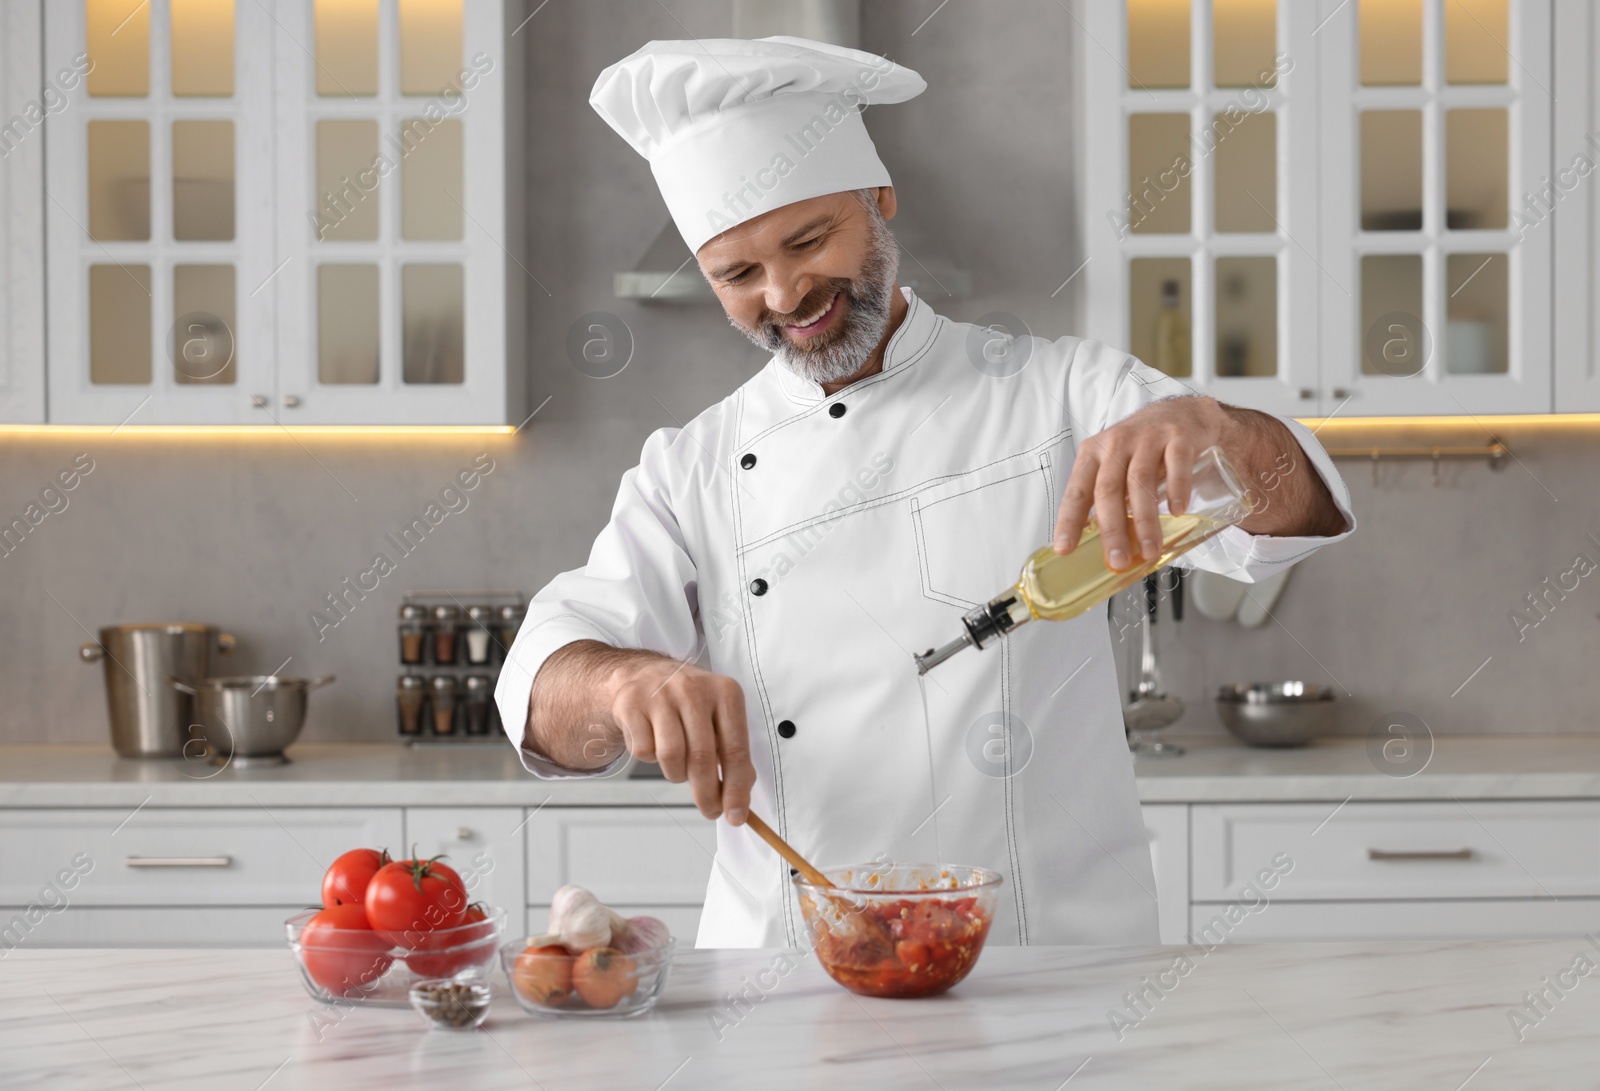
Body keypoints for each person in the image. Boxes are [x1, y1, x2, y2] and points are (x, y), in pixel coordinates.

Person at [495, 36, 1355, 948]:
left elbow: (1288, 517)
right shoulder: (689, 469)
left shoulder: (1063, 392)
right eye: (737, 275)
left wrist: (1213, 425)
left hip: (1050, 966)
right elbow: (543, 699)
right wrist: (628, 679)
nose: (786, 292)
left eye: (809, 239)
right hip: (785, 984)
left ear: (879, 201)